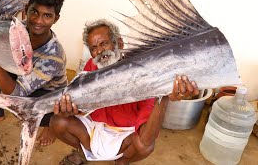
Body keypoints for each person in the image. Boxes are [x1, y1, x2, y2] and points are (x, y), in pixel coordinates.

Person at [50, 19, 199, 165]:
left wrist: (163, 97)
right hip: (95, 125)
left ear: (119, 43)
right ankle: (82, 151)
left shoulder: (141, 71)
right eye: (94, 48)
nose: (100, 51)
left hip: (125, 132)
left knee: (144, 146)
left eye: (104, 43)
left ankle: (122, 160)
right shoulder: (92, 65)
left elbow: (147, 137)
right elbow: (82, 104)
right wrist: (71, 109)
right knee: (58, 122)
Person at [0, 0, 66, 146]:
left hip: (47, 92)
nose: (38, 21)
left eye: (47, 16)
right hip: (21, 74)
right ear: (26, 9)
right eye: (34, 12)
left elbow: (16, 93)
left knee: (27, 106)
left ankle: (49, 125)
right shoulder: (17, 28)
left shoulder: (54, 55)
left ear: (56, 18)